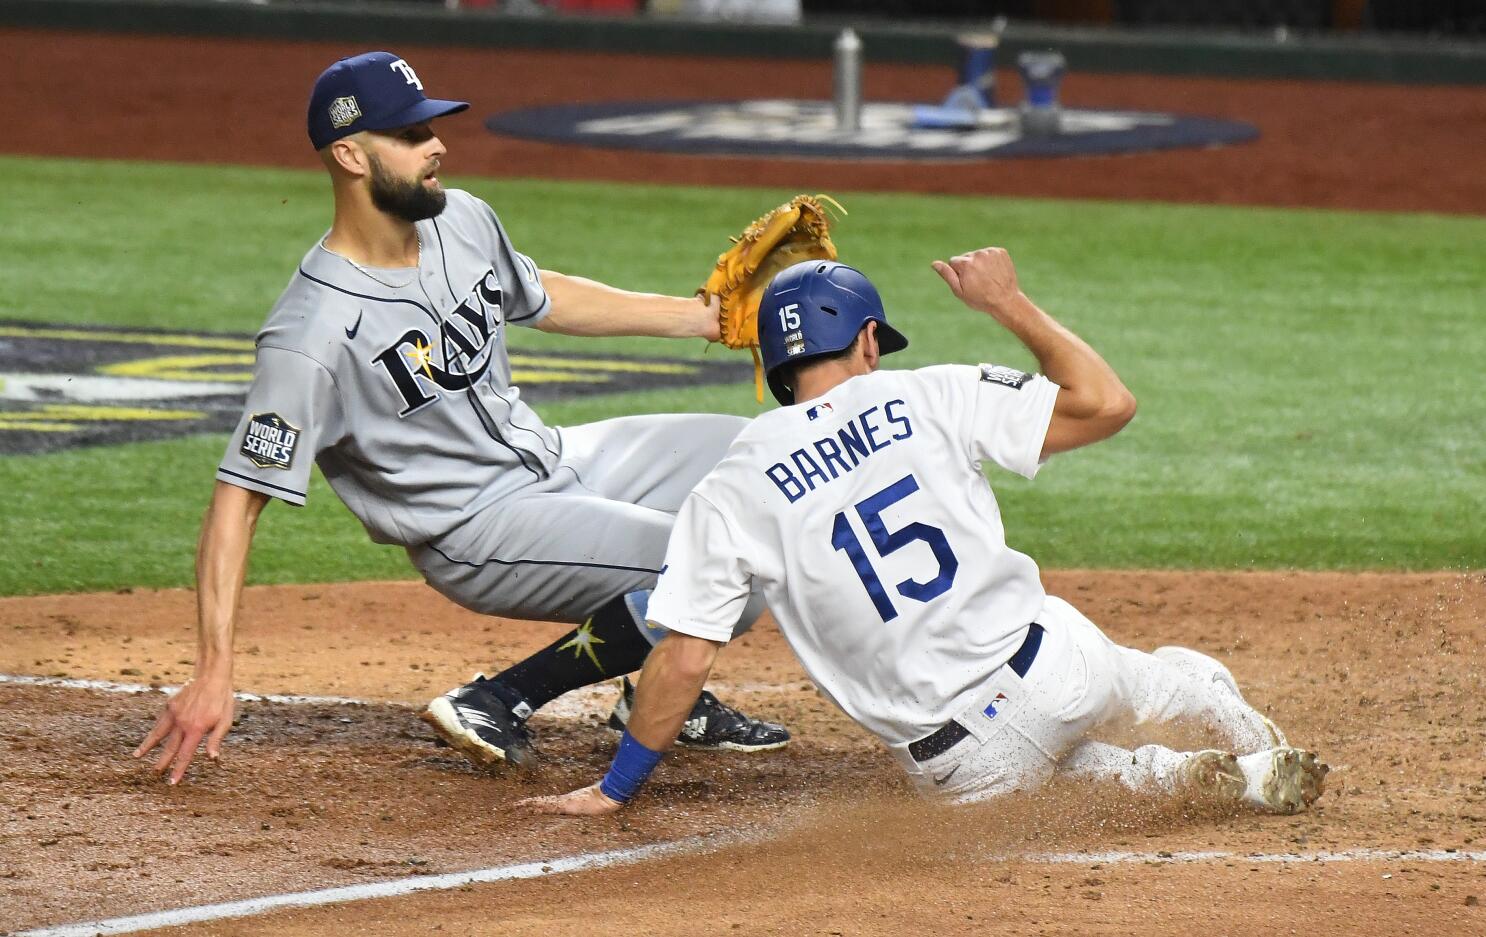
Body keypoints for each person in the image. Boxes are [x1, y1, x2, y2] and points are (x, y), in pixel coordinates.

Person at [132, 50, 788, 785]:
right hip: (479, 528)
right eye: (410, 135)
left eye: (432, 126)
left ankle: (662, 681)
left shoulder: (460, 218)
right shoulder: (312, 336)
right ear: (350, 155)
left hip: (558, 455)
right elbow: (237, 499)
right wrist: (213, 669)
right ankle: (498, 697)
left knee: (760, 456)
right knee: (732, 574)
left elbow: (543, 293)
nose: (436, 143)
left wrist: (699, 318)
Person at [521, 249, 1329, 816]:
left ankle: (1176, 776)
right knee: (1160, 679)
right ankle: (1239, 731)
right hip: (1058, 669)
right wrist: (1004, 302)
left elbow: (685, 656)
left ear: (772, 366)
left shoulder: (729, 486)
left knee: (1064, 785)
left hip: (964, 763)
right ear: (867, 339)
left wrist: (615, 787)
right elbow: (1107, 403)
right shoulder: (927, 392)